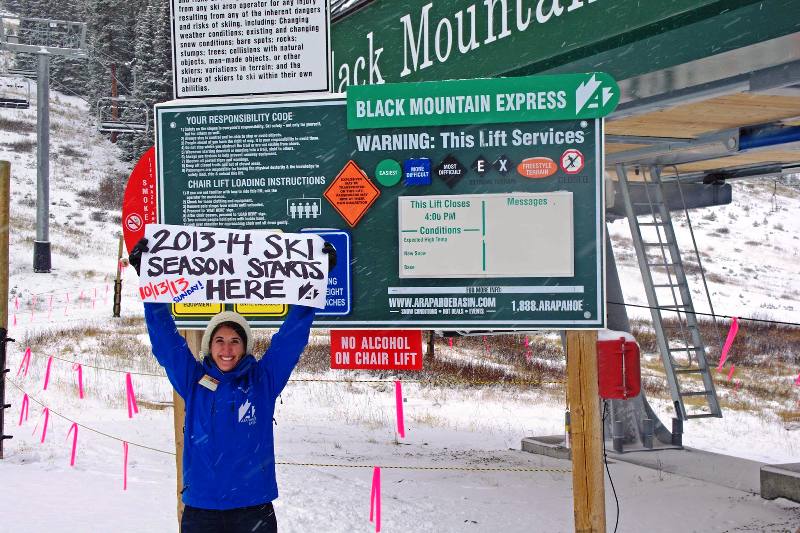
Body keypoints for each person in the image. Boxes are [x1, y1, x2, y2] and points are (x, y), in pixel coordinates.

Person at [129, 237, 336, 533]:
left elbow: (291, 338)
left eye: (235, 341)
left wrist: (317, 278)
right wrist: (150, 281)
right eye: (220, 341)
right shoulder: (193, 380)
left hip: (253, 508)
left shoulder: (263, 380)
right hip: (202, 509)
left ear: (245, 347)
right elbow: (165, 340)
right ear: (210, 346)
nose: (227, 349)